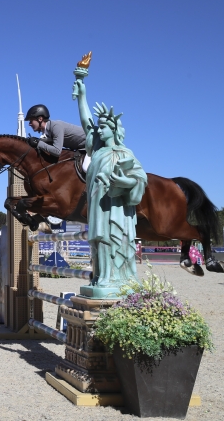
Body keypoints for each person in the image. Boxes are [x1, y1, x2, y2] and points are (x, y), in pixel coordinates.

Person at [73, 78, 148, 291]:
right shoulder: (97, 151)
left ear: (114, 129)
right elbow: (87, 123)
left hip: (117, 209)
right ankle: (101, 276)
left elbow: (140, 177)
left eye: (104, 126)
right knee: (98, 240)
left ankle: (116, 278)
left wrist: (124, 181)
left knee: (110, 239)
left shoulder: (125, 153)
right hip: (98, 205)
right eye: (99, 126)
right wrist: (82, 97)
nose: (99, 129)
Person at [24, 104, 91, 170]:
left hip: (94, 145)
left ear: (40, 119)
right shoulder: (47, 132)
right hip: (83, 148)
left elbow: (57, 151)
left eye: (31, 120)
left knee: (85, 168)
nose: (29, 124)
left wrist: (38, 143)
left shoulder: (55, 126)